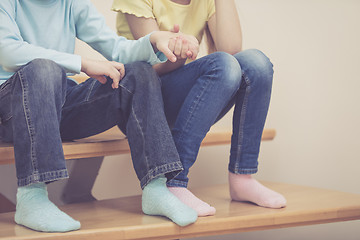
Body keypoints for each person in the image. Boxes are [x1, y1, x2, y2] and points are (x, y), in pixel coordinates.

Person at [0, 0, 201, 232]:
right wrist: (83, 64)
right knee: (44, 69)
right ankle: (32, 197)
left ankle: (156, 187)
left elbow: (117, 49)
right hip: (12, 107)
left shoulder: (71, 3)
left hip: (58, 102)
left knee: (137, 71)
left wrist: (154, 40)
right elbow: (8, 51)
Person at [111, 0, 287, 217]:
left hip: (178, 97)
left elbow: (230, 49)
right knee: (224, 65)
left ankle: (242, 177)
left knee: (256, 63)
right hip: (140, 103)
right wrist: (179, 52)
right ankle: (174, 181)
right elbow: (149, 66)